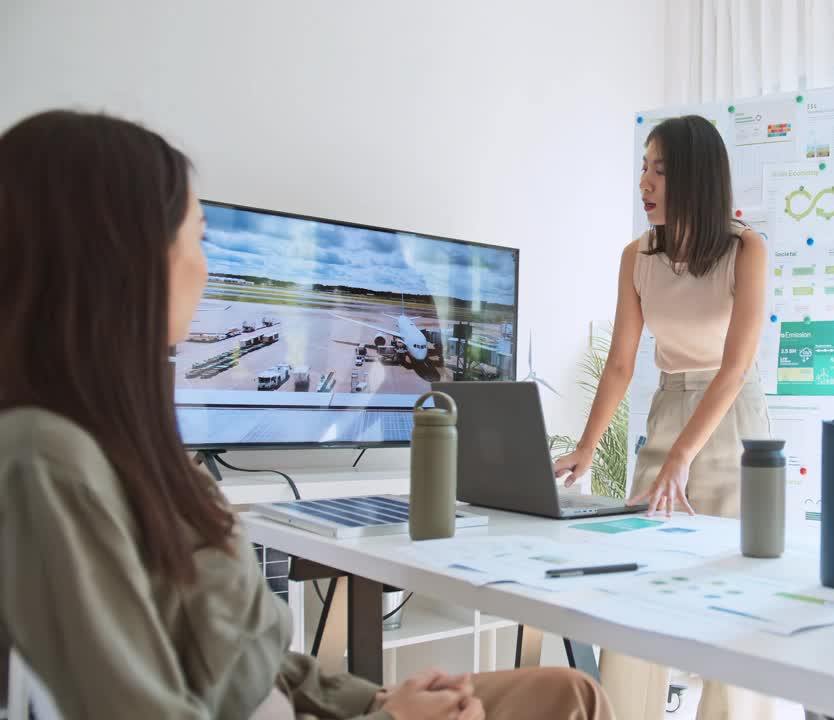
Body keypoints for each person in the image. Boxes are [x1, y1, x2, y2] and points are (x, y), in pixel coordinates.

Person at [0, 110, 613, 720]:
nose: (207, 264)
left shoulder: (139, 455)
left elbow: (256, 663)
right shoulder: (48, 461)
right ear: (125, 257)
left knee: (568, 690)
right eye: (197, 237)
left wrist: (376, 699)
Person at [551, 115, 772, 719]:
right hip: (671, 404)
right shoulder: (638, 255)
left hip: (733, 417)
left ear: (696, 178)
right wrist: (588, 446)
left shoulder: (745, 249)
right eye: (643, 169)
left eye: (660, 169)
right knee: (642, 581)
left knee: (737, 593)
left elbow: (734, 366)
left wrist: (682, 456)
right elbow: (621, 363)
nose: (644, 182)